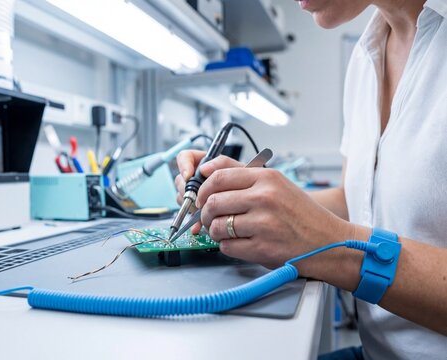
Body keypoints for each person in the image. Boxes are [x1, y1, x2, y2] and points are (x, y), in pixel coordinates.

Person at [174, 0, 447, 359]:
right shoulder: (367, 56)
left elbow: (344, 234)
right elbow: (358, 200)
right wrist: (247, 199)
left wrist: (338, 249)